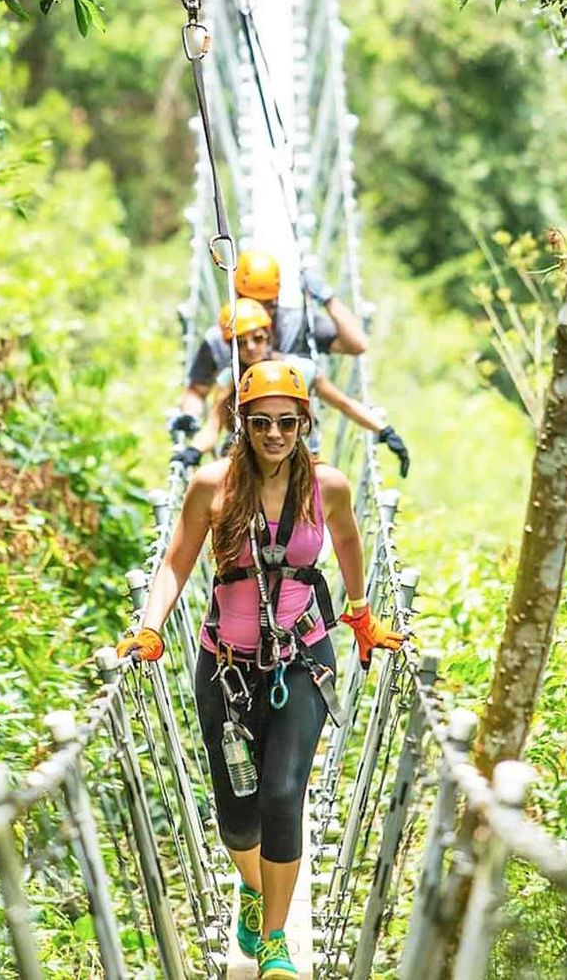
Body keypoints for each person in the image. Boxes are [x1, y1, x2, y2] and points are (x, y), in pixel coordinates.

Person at [117, 360, 405, 977]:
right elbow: (175, 563)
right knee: (236, 810)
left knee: (280, 795)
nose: (274, 433)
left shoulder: (326, 487)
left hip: (302, 660)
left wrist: (360, 614)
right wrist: (151, 624)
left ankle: (275, 938)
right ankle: (252, 889)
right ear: (241, 423)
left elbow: (350, 542)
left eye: (286, 422)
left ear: (304, 423)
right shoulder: (210, 485)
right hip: (224, 664)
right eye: (261, 422)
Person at [173, 299, 410, 479]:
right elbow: (212, 428)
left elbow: (344, 404)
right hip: (243, 465)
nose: (251, 348)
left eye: (257, 338)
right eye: (241, 343)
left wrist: (385, 431)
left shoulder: (299, 371)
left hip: (292, 462)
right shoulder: (231, 380)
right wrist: (192, 452)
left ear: (269, 336)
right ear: (231, 347)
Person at [171, 248, 368, 436]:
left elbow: (356, 344)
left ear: (277, 297)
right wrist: (190, 417)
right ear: (237, 296)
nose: (260, 311)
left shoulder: (296, 324)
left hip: (291, 436)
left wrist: (328, 299)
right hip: (242, 438)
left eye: (268, 304)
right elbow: (197, 391)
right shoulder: (219, 338)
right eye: (251, 301)